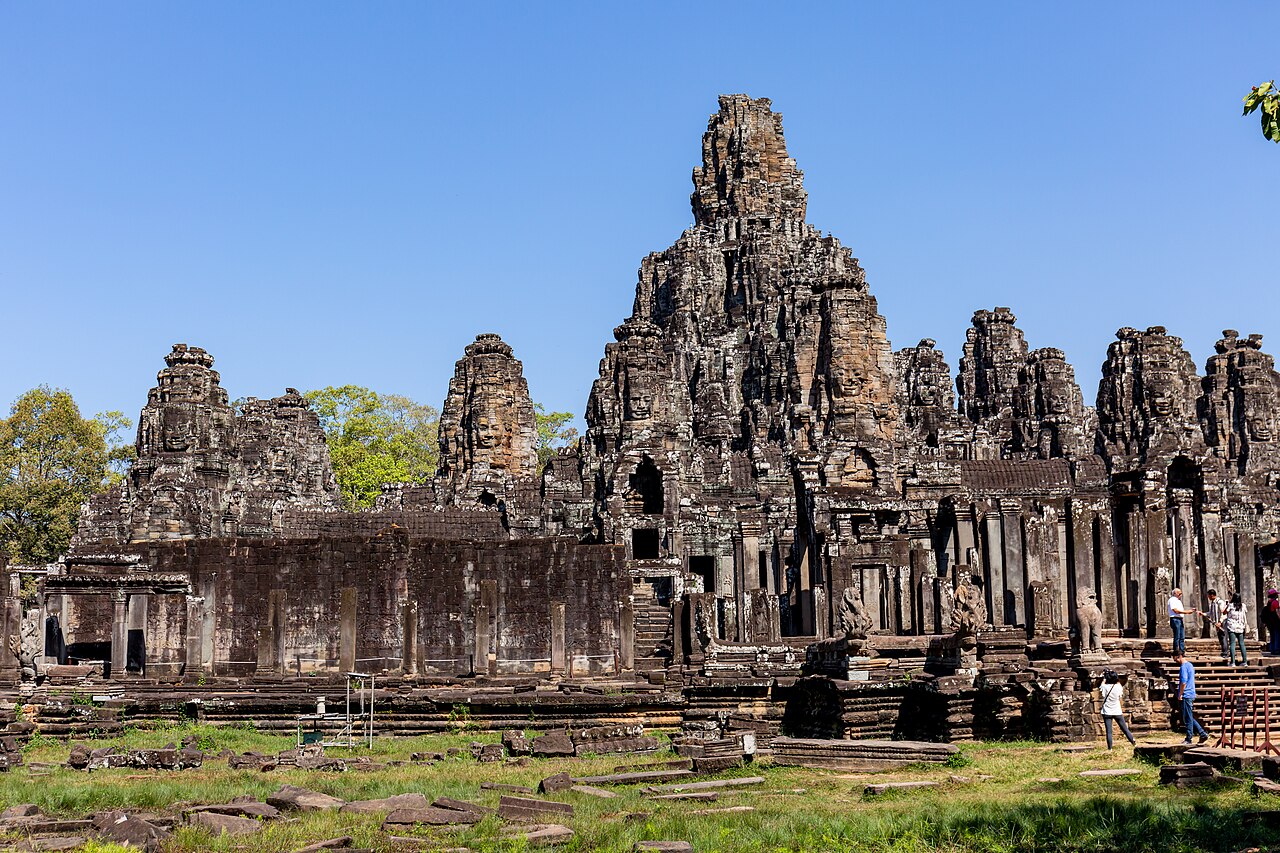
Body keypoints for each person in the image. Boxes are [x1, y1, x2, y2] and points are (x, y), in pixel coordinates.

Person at [1176, 651, 1210, 745]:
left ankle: (1189, 738)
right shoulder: (1190, 665)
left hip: (1186, 694)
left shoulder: (1183, 667)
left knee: (1187, 718)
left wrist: (1180, 694)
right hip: (1191, 693)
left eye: (1175, 658)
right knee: (1189, 716)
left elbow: (1183, 681)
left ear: (1179, 656)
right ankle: (1202, 734)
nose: (1175, 660)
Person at [1098, 669, 1136, 750]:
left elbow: (1102, 683)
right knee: (1125, 729)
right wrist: (1114, 674)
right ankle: (1133, 742)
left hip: (1107, 711)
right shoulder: (1119, 687)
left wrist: (1105, 675)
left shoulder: (1104, 687)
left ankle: (1110, 749)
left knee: (1109, 732)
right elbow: (1118, 681)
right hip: (1117, 711)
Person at [1168, 587, 1195, 656]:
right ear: (1175, 594)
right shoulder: (1172, 600)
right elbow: (1175, 610)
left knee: (1182, 636)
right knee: (1177, 636)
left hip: (1179, 619)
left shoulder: (1178, 601)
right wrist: (1187, 612)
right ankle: (1176, 650)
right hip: (1175, 619)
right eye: (1179, 593)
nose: (1181, 595)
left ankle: (1182, 651)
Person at [1223, 594, 1248, 666]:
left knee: (1232, 643)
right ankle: (1245, 661)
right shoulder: (1243, 606)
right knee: (1242, 644)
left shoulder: (1230, 605)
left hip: (1232, 626)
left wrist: (1227, 605)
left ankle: (1233, 662)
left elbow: (1224, 612)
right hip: (1240, 626)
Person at [1205, 589, 1228, 661]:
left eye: (1208, 595)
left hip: (1222, 622)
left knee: (1223, 637)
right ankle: (1224, 651)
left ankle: (1225, 652)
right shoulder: (1212, 604)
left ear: (1212, 595)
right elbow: (1211, 613)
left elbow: (1223, 613)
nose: (1208, 597)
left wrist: (1220, 622)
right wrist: (1203, 614)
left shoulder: (1220, 602)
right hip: (1216, 623)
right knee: (1220, 638)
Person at [1264, 589, 1280, 655]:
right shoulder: (1275, 602)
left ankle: (1272, 649)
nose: (1277, 595)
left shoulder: (1269, 602)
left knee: (1272, 635)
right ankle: (1277, 649)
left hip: (1270, 622)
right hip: (1275, 621)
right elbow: (1277, 612)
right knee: (1277, 635)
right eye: (1276, 594)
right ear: (1274, 595)